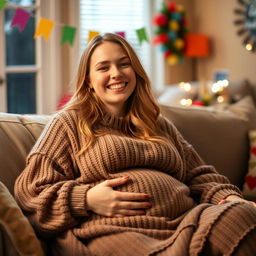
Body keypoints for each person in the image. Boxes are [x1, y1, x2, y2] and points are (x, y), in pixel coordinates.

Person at [14, 33, 256, 256]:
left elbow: (200, 176)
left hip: (187, 221)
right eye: (103, 67)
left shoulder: (157, 123)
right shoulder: (69, 122)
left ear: (135, 71)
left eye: (123, 64)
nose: (116, 73)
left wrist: (230, 198)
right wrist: (86, 198)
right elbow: (30, 192)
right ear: (88, 80)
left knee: (243, 214)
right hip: (119, 232)